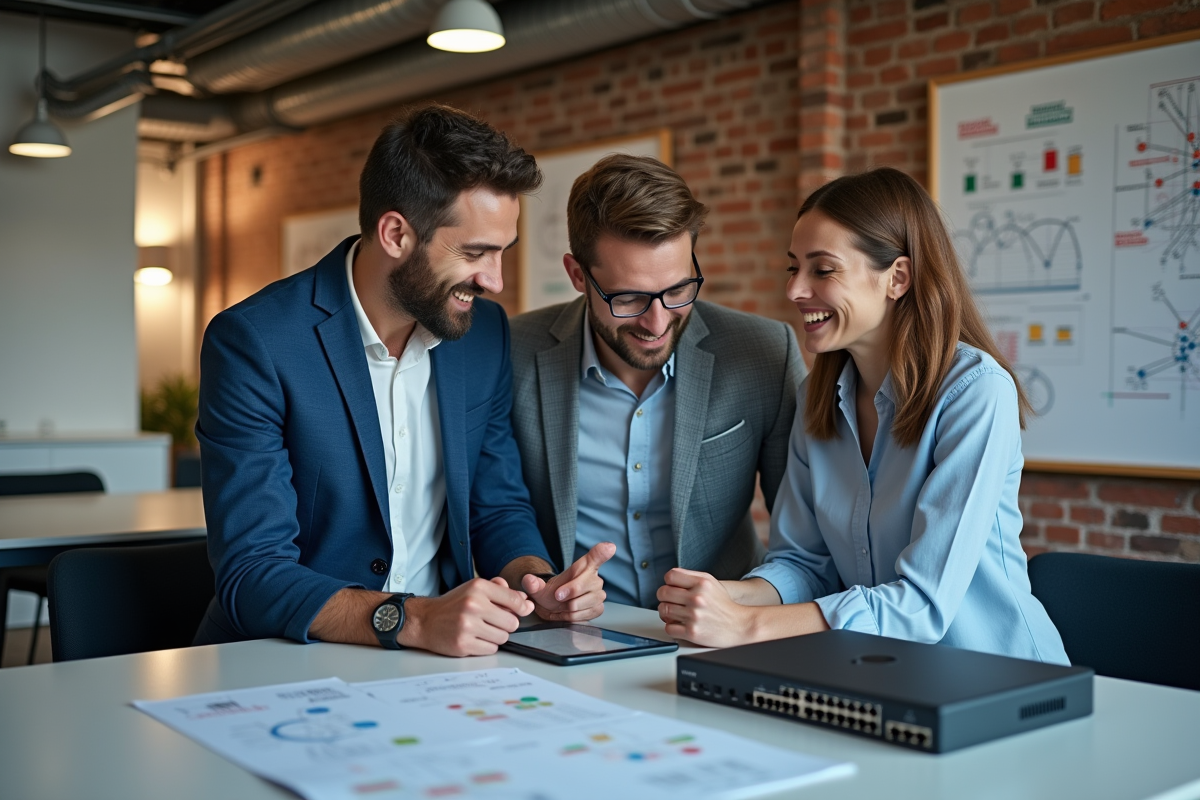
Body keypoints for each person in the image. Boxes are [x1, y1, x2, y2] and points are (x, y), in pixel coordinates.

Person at [194, 105, 614, 656]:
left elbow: (497, 507)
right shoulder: (256, 342)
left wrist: (537, 583)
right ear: (396, 234)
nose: (495, 280)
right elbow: (252, 573)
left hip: (442, 660)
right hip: (286, 656)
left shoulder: (484, 335)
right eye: (475, 252)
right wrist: (414, 619)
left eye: (502, 253)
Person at [656, 167, 1069, 664]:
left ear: (897, 278)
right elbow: (805, 564)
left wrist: (746, 625)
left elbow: (921, 605)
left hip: (1000, 674)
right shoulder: (816, 399)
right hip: (880, 671)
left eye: (822, 270)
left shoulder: (975, 392)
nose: (794, 290)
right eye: (793, 268)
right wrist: (724, 596)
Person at [510, 154, 805, 610]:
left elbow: (807, 542)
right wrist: (541, 584)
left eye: (678, 290)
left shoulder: (765, 353)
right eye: (629, 298)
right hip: (576, 633)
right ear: (577, 275)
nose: (657, 321)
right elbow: (499, 510)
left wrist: (741, 603)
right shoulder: (513, 353)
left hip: (724, 630)